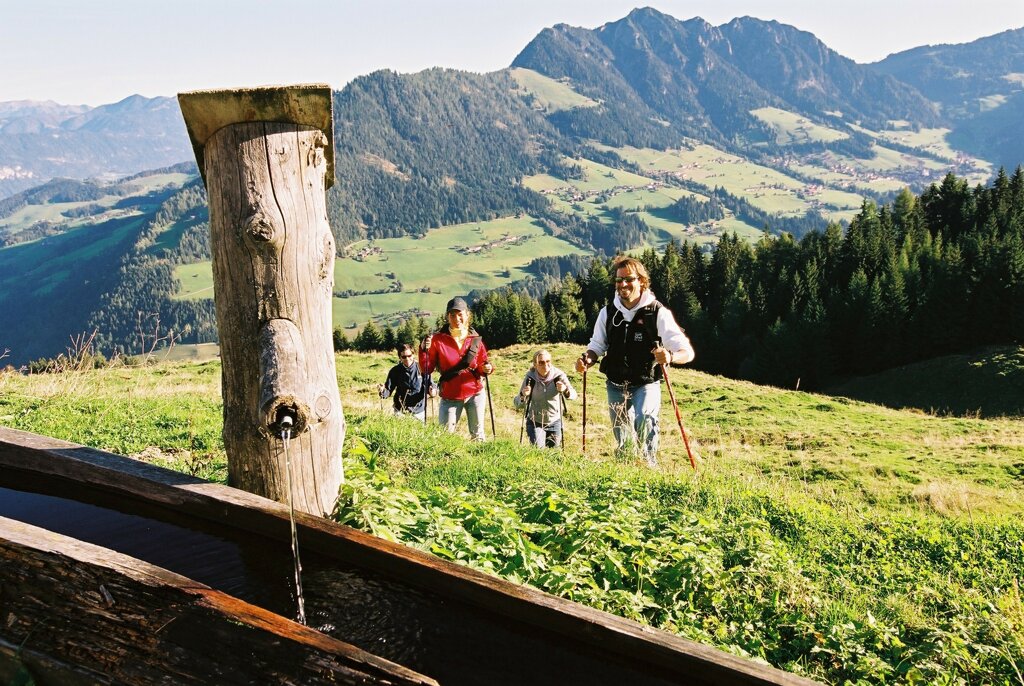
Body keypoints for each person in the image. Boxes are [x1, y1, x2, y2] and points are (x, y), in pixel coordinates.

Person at [575, 256, 694, 467]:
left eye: (629, 279)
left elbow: (687, 351)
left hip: (646, 382)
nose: (623, 285)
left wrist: (671, 357)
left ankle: (649, 467)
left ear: (641, 281)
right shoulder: (608, 312)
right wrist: (587, 359)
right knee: (622, 434)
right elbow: (597, 345)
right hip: (615, 383)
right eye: (619, 280)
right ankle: (626, 472)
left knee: (644, 422)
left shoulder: (657, 312)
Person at [420, 297, 493, 440]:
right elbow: (426, 369)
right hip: (450, 396)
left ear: (467, 315)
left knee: (478, 436)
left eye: (460, 314)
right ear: (447, 317)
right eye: (452, 315)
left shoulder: (475, 339)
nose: (457, 318)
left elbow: (482, 365)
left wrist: (488, 368)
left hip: (475, 393)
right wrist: (423, 350)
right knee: (445, 437)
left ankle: (480, 462)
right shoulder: (437, 340)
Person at [514, 349, 578, 449]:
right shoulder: (530, 378)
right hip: (535, 421)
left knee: (553, 453)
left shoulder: (559, 375)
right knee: (538, 451)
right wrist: (523, 395)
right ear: (535, 365)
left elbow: (574, 395)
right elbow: (517, 403)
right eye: (541, 362)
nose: (545, 365)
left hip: (555, 421)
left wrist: (565, 390)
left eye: (548, 361)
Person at [379, 343, 435, 421]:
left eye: (409, 356)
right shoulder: (395, 371)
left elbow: (431, 385)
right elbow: (388, 390)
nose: (407, 359)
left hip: (419, 412)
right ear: (400, 358)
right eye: (404, 357)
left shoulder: (422, 368)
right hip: (400, 412)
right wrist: (382, 391)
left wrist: (432, 391)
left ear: (413, 355)